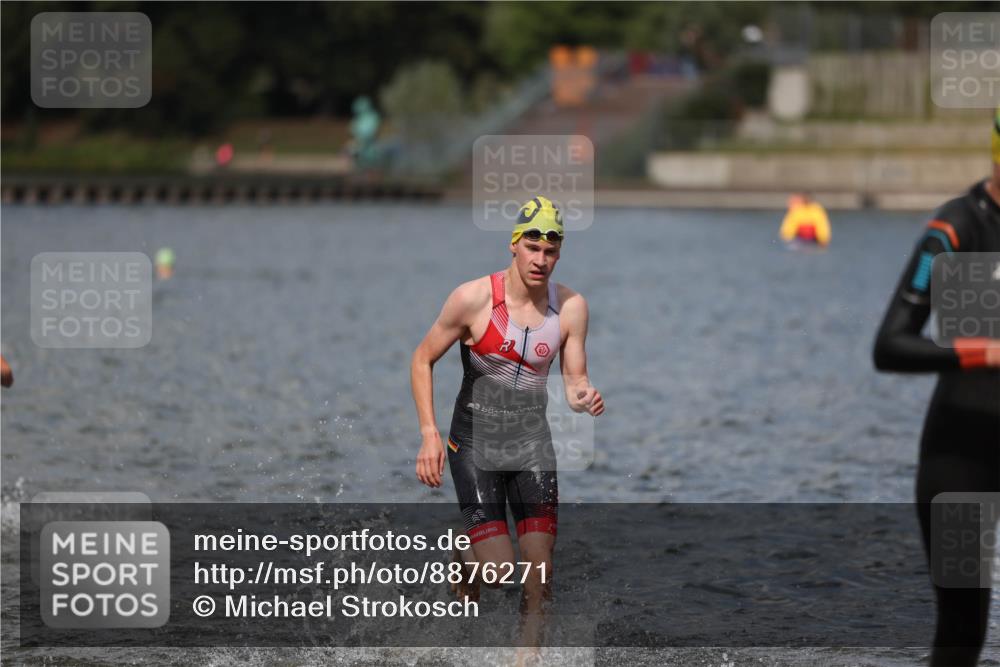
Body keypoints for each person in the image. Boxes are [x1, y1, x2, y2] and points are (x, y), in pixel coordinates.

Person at [410, 195, 604, 652]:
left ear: (559, 253)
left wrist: (584, 396)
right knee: (497, 573)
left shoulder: (570, 308)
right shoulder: (473, 299)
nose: (541, 260)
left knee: (541, 567)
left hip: (532, 443)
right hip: (474, 442)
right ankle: (465, 552)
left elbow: (574, 380)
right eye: (532, 247)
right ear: (514, 245)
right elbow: (421, 359)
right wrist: (428, 434)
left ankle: (526, 660)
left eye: (551, 251)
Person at [873, 108, 1000, 667]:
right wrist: (986, 351)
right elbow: (891, 344)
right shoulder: (957, 229)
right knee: (963, 629)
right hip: (962, 451)